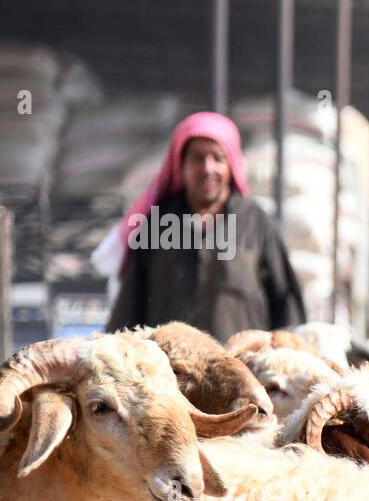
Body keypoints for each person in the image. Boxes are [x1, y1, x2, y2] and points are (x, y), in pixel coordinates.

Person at [103, 111, 306, 340]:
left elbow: (287, 305)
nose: (207, 168)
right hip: (170, 371)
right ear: (181, 165)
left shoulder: (256, 223)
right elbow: (128, 310)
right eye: (197, 158)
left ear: (231, 165)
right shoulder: (156, 224)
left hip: (240, 370)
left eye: (218, 158)